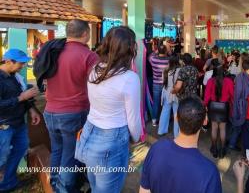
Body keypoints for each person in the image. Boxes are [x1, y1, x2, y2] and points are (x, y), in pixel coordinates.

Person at [74, 26, 142, 191]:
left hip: (90, 132)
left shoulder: (95, 70)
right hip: (112, 138)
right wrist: (136, 137)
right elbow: (133, 119)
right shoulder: (129, 78)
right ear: (130, 49)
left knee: (95, 184)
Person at [44, 19, 99, 192]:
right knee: (70, 155)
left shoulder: (53, 51)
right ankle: (65, 188)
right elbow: (98, 84)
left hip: (50, 110)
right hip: (73, 113)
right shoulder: (89, 55)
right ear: (85, 34)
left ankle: (54, 183)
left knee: (57, 150)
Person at [139, 97, 222, 193]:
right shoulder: (210, 173)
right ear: (205, 121)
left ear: (176, 118)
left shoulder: (156, 149)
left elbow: (143, 191)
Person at [0, 49, 41, 192]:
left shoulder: (14, 76)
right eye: (21, 63)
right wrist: (21, 98)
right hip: (4, 125)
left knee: (20, 150)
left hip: (18, 123)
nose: (23, 66)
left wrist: (31, 109)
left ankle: (8, 183)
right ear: (8, 61)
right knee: (2, 156)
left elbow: (22, 94)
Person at [204, 65, 234, 158]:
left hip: (213, 106)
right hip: (224, 107)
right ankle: (222, 150)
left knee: (214, 128)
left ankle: (214, 149)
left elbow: (207, 96)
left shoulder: (210, 81)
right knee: (222, 129)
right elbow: (232, 95)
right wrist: (232, 107)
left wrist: (204, 106)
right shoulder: (229, 81)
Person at [158, 56, 181, 137]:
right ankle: (176, 134)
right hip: (176, 92)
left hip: (167, 91)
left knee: (165, 111)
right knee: (176, 113)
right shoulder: (179, 70)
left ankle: (161, 130)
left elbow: (162, 81)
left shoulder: (165, 70)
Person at [149, 45, 170, 126]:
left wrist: (156, 51)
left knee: (156, 103)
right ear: (165, 51)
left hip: (156, 84)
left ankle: (154, 120)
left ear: (158, 51)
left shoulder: (153, 59)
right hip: (166, 84)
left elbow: (150, 56)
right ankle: (164, 121)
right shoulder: (168, 60)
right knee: (166, 103)